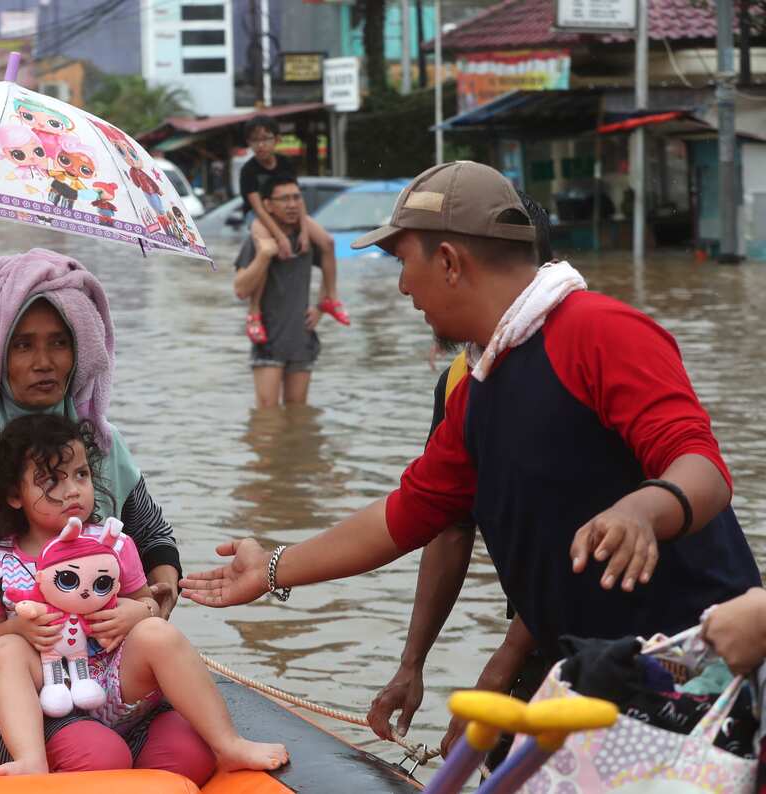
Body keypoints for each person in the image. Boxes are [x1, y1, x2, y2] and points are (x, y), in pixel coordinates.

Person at [182, 161, 761, 692]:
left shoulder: (601, 331)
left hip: (705, 657)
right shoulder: (480, 384)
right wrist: (273, 567)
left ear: (450, 263)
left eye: (405, 263)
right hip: (598, 668)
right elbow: (409, 514)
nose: (404, 287)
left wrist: (644, 509)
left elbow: (703, 469)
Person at [0, 248, 216, 783]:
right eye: (23, 344)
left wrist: (150, 605)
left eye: (59, 342)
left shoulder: (99, 445)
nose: (44, 362)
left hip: (113, 677)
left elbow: (156, 545)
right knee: (97, 758)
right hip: (8, 694)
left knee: (191, 756)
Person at [0, 413, 289, 776]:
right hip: (54, 692)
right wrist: (19, 631)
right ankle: (32, 762)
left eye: (81, 475)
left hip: (117, 682)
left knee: (158, 639)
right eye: (50, 480)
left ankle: (228, 744)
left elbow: (144, 602)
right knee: (6, 650)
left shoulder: (115, 544)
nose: (72, 489)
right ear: (14, 495)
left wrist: (140, 611)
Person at [367, 191, 556, 764]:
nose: (404, 290)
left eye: (407, 266)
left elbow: (574, 539)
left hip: (610, 629)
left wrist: (503, 662)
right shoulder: (460, 382)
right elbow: (440, 521)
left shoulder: (569, 364)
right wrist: (412, 662)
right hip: (538, 616)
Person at [233, 175, 338, 408]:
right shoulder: (258, 239)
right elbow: (240, 288)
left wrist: (321, 306)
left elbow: (330, 261)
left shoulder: (307, 238)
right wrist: (263, 255)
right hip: (268, 338)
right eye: (284, 199)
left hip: (301, 336)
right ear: (268, 205)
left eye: (296, 198)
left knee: (297, 415)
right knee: (267, 416)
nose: (292, 204)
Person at [237, 115, 339, 344]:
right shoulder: (248, 171)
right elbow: (258, 208)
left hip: (289, 215)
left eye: (266, 139)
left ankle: (330, 298)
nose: (260, 145)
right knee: (267, 249)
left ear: (277, 140)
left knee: (328, 242)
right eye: (254, 140)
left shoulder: (285, 163)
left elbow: (296, 197)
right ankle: (254, 313)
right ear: (249, 143)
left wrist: (303, 231)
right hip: (258, 215)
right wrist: (280, 236)